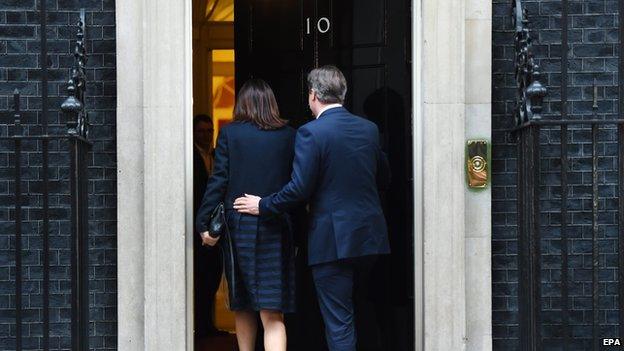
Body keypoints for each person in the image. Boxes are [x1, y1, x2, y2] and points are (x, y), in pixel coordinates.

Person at [234, 65, 391, 351]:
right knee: (363, 309)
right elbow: (384, 177)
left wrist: (264, 205)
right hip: (370, 238)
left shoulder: (311, 133)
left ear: (314, 95)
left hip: (333, 241)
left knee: (338, 321)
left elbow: (298, 188)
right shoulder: (369, 129)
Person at [196, 79, 297, 351]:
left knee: (242, 304)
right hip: (276, 224)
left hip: (239, 226)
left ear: (241, 104)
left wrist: (204, 222)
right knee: (272, 311)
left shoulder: (230, 134)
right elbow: (296, 186)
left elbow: (218, 181)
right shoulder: (289, 134)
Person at [192, 114, 224, 339]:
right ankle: (199, 327)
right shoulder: (190, 157)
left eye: (208, 131)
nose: (205, 135)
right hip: (198, 225)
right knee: (200, 279)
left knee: (213, 276)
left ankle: (208, 325)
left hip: (218, 227)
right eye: (201, 131)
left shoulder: (216, 156)